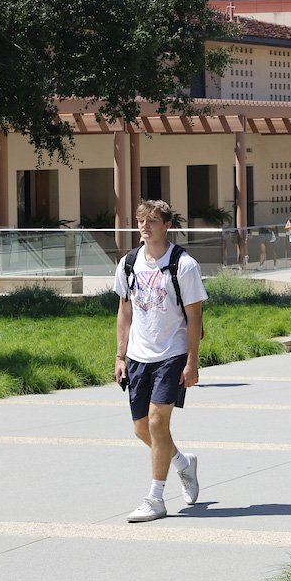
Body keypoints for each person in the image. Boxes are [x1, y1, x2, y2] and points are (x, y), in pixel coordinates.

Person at [114, 200, 207, 523]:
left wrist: (192, 362)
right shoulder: (128, 263)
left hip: (172, 353)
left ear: (166, 225)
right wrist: (120, 355)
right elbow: (124, 311)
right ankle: (183, 463)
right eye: (141, 220)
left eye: (152, 220)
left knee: (156, 423)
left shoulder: (184, 265)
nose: (145, 225)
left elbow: (194, 316)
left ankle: (155, 498)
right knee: (142, 429)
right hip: (138, 357)